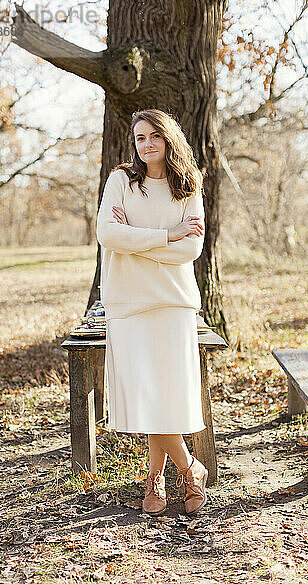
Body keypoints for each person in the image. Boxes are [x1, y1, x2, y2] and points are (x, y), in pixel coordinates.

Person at [96, 108, 208, 516]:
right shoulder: (121, 181)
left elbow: (190, 250)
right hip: (128, 300)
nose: (146, 144)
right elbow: (107, 233)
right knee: (144, 391)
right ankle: (190, 468)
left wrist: (135, 242)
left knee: (166, 392)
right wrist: (166, 235)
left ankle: (155, 480)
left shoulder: (188, 185)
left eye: (153, 136)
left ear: (168, 139)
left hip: (173, 301)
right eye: (140, 138)